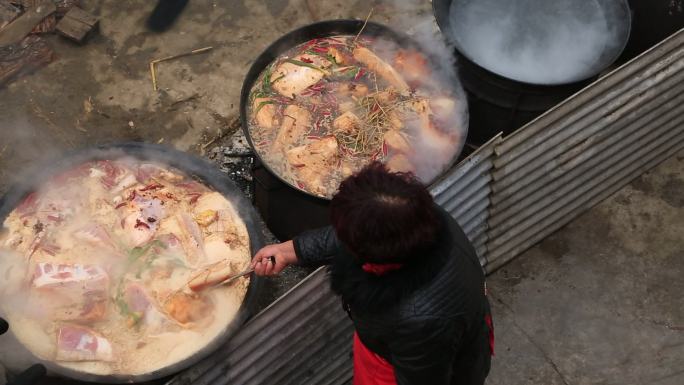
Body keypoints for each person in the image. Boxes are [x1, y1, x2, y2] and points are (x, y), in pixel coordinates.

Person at [251, 162, 493, 385]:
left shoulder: (419, 321)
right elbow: (357, 228)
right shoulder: (417, 218)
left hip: (416, 366)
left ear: (369, 253)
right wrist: (291, 250)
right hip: (408, 339)